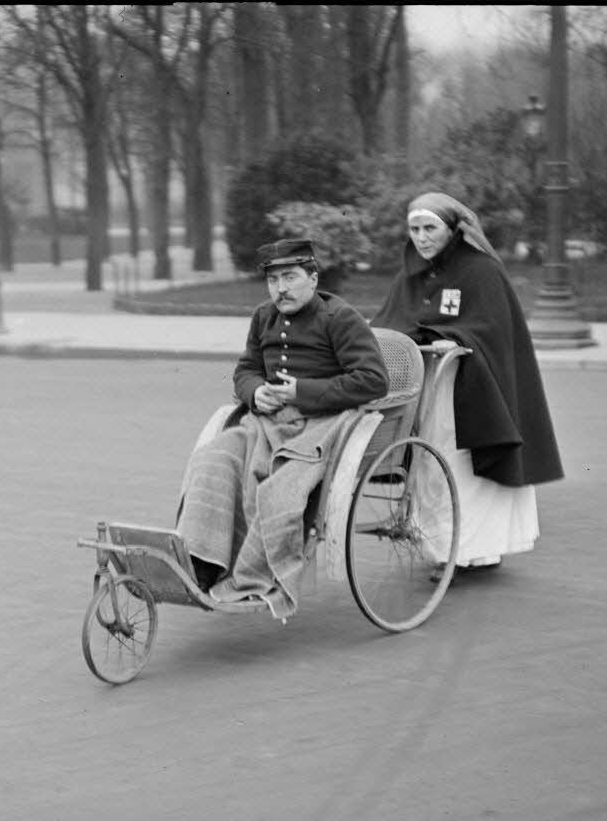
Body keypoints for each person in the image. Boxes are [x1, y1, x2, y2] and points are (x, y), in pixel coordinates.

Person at [177, 237, 389, 618]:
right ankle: (202, 562)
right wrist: (255, 391)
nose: (281, 289)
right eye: (273, 280)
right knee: (214, 458)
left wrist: (302, 391)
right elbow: (246, 369)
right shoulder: (264, 317)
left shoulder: (340, 318)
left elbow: (373, 380)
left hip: (322, 426)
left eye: (290, 277)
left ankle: (253, 579)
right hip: (266, 422)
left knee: (279, 489)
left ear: (313, 278)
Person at [370, 191, 563, 577]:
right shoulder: (410, 272)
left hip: (472, 386)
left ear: (453, 229)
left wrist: (453, 337)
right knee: (431, 463)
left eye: (430, 228)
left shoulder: (481, 270)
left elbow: (491, 328)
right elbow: (395, 320)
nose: (421, 238)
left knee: (463, 467)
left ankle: (467, 550)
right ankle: (450, 546)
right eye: (414, 230)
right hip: (429, 383)